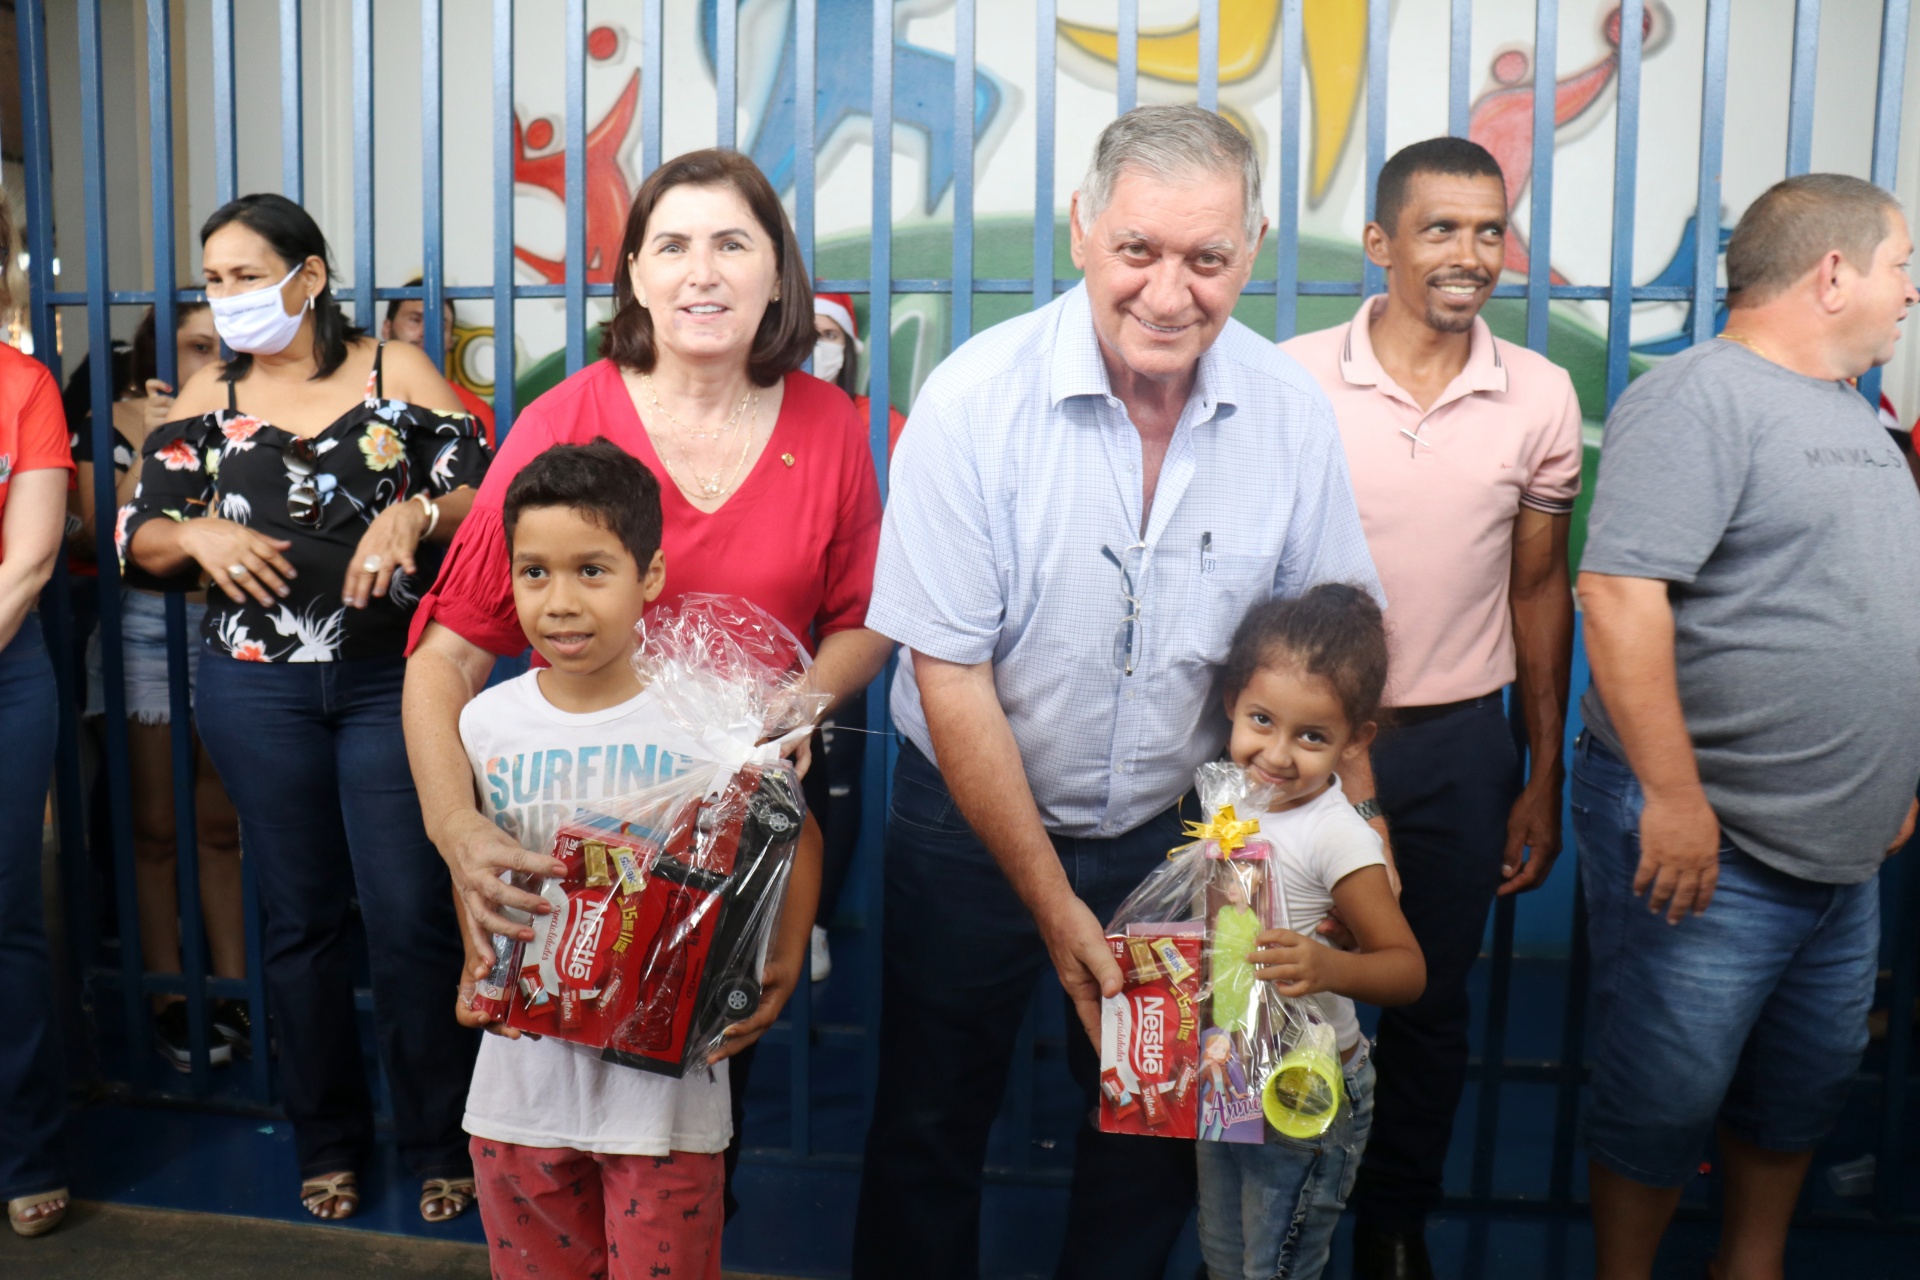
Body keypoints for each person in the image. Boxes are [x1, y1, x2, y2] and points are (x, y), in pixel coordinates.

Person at [853, 105, 1382, 1280]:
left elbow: (1334, 650)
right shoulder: (972, 402)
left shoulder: (1289, 414)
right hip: (967, 821)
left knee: (1159, 1129)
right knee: (930, 1117)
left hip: (1187, 827)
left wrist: (1356, 832)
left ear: (1252, 249)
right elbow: (951, 674)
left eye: (1208, 258)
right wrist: (1056, 908)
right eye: (1138, 249)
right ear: (1083, 227)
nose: (1169, 292)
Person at [402, 147, 889, 1222]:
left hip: (744, 824)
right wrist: (454, 826)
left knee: (697, 1114)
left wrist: (801, 700)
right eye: (672, 245)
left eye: (732, 244)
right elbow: (446, 656)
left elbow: (864, 615)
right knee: (556, 1111)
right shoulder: (561, 420)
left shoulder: (827, 425)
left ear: (777, 272)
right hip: (570, 822)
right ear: (632, 273)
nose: (701, 271)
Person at [1573, 172, 1920, 1280]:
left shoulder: (1853, 410)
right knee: (1663, 1091)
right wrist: (1673, 799)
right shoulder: (1699, 398)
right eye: (1901, 264)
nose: (1910, 291)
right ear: (1834, 272)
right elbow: (1617, 593)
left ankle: (1749, 1268)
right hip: (1710, 835)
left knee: (1804, 1082)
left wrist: (1891, 776)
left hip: (1842, 847)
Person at [119, 193, 491, 1223]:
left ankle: (440, 1138)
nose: (227, 297)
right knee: (300, 918)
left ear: (310, 276)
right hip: (256, 686)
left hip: (392, 683)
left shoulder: (394, 372)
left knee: (410, 913)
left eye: (247, 276)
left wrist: (419, 511)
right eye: (214, 280)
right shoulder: (212, 390)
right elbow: (138, 530)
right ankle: (328, 1139)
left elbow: (486, 488)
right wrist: (193, 535)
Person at [1278, 136, 1582, 1279]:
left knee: (1431, 997)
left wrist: (1541, 769)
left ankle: (1393, 1220)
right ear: (1381, 242)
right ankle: (1269, 1218)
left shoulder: (1539, 393)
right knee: (1272, 984)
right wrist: (1312, 754)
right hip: (1302, 747)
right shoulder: (1292, 377)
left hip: (1459, 743)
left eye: (1490, 229)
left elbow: (1539, 587)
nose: (1471, 252)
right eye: (1442, 227)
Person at [456, 439, 821, 1279]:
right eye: (534, 573)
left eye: (592, 571)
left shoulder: (708, 721)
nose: (560, 602)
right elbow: (481, 866)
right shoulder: (486, 722)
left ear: (649, 575)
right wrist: (475, 958)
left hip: (662, 1101)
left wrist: (783, 959)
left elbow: (794, 835)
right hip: (520, 1093)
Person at [1199, 585, 1425, 1280]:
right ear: (1232, 701)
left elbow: (1407, 970)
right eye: (1262, 720)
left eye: (1312, 736)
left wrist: (1328, 969)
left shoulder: (1336, 835)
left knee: (1277, 1268)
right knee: (1225, 1259)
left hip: (1306, 1085)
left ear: (1355, 741)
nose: (1276, 753)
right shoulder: (1227, 802)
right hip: (1231, 1071)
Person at [73, 303, 248, 1072]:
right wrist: (157, 439)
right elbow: (103, 535)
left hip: (237, 621)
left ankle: (237, 990)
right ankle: (169, 995)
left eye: (224, 344)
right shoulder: (109, 420)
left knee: (221, 826)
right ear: (157, 349)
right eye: (198, 344)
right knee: (153, 828)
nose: (216, 356)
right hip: (146, 625)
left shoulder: (253, 414)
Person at [0, 188, 76, 1237]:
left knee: (6, 915)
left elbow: (28, 562)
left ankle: (26, 1150)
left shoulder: (24, 386)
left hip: (6, 667)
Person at [384, 280, 497, 446]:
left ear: (450, 339)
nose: (425, 332)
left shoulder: (476, 412)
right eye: (415, 320)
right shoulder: (357, 393)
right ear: (387, 328)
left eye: (439, 324)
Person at [813, 291, 905, 456]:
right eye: (807, 334)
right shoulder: (768, 415)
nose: (817, 346)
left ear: (848, 348)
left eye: (830, 335)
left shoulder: (878, 421)